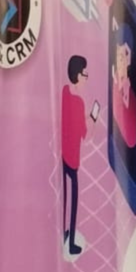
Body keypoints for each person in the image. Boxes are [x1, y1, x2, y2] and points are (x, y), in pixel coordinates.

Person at [61, 54, 92, 256]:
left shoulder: (65, 92)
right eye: (85, 75)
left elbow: (72, 121)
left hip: (63, 154)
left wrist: (85, 117)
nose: (86, 79)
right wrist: (93, 120)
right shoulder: (79, 102)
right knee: (73, 200)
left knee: (64, 197)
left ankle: (64, 233)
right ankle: (71, 242)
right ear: (78, 75)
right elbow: (86, 134)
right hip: (72, 159)